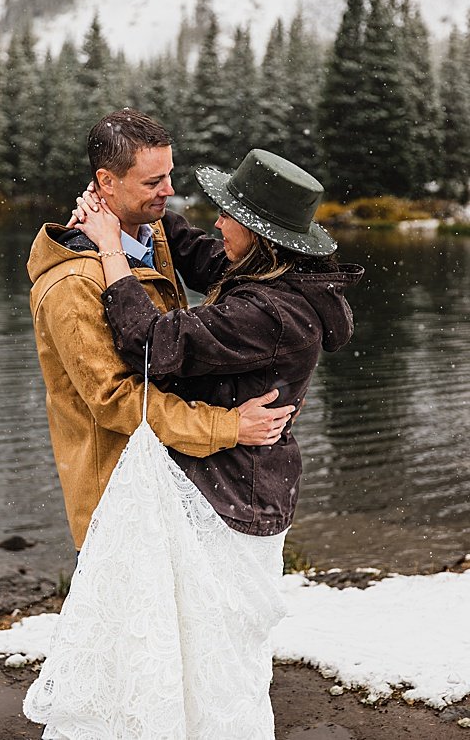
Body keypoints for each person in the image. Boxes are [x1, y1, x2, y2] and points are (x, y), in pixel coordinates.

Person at [25, 148, 363, 738]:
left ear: (260, 235)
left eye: (230, 215)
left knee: (210, 644)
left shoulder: (268, 312)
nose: (217, 223)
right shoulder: (281, 275)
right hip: (254, 480)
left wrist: (109, 248)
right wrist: (140, 208)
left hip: (233, 491)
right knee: (208, 643)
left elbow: (150, 342)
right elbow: (202, 254)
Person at [25, 109, 294, 553]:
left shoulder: (153, 237)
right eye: (154, 182)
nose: (170, 190)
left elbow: (237, 280)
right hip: (119, 498)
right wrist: (229, 427)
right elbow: (117, 402)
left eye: (169, 175)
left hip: (171, 481)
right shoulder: (71, 285)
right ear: (106, 182)